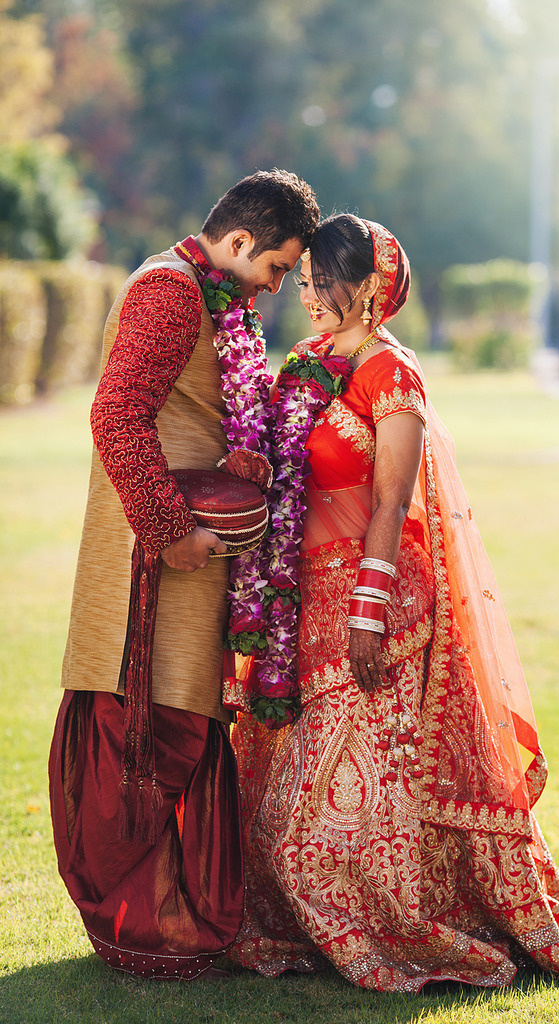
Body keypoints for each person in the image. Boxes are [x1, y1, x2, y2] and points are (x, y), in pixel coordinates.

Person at [226, 214, 559, 991]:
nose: (309, 292)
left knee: (330, 819)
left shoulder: (392, 374)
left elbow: (393, 502)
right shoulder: (299, 362)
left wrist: (366, 610)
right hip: (298, 609)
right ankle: (323, 919)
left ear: (367, 288)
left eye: (324, 279)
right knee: (275, 806)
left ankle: (402, 918)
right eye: (305, 279)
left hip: (375, 607)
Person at [48, 169, 320, 979]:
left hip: (192, 555)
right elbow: (116, 414)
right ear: (237, 243)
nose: (275, 289)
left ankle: (179, 917)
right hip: (158, 561)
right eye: (274, 267)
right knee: (149, 724)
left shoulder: (209, 296)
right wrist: (169, 534)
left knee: (185, 715)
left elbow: (182, 410)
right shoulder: (171, 294)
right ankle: (148, 925)